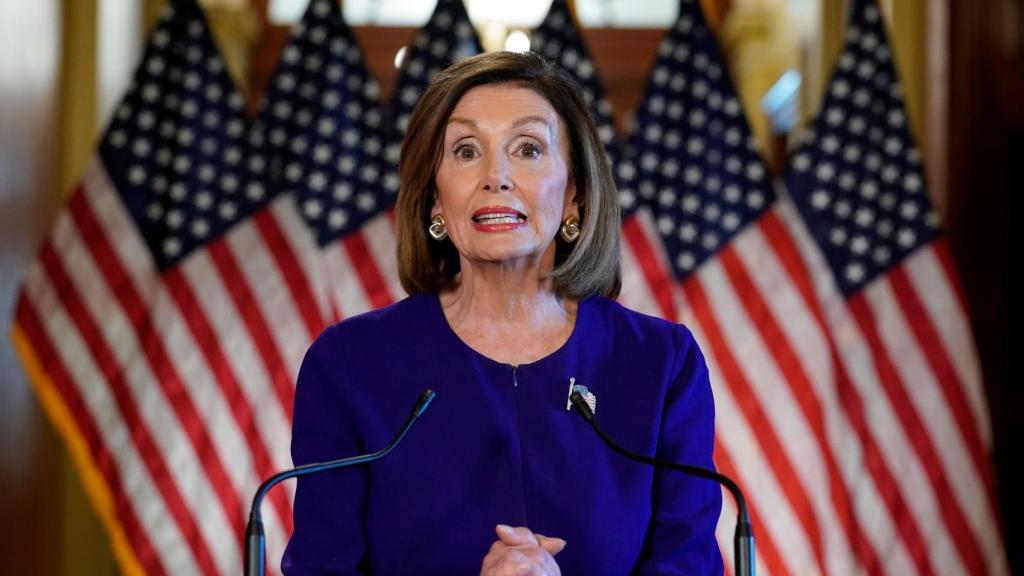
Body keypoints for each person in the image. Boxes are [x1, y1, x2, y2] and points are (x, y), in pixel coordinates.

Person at [282, 51, 723, 575]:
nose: (496, 176)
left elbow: (689, 564)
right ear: (434, 199)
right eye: (466, 151)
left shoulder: (661, 364)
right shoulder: (348, 365)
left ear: (575, 196)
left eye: (528, 149)